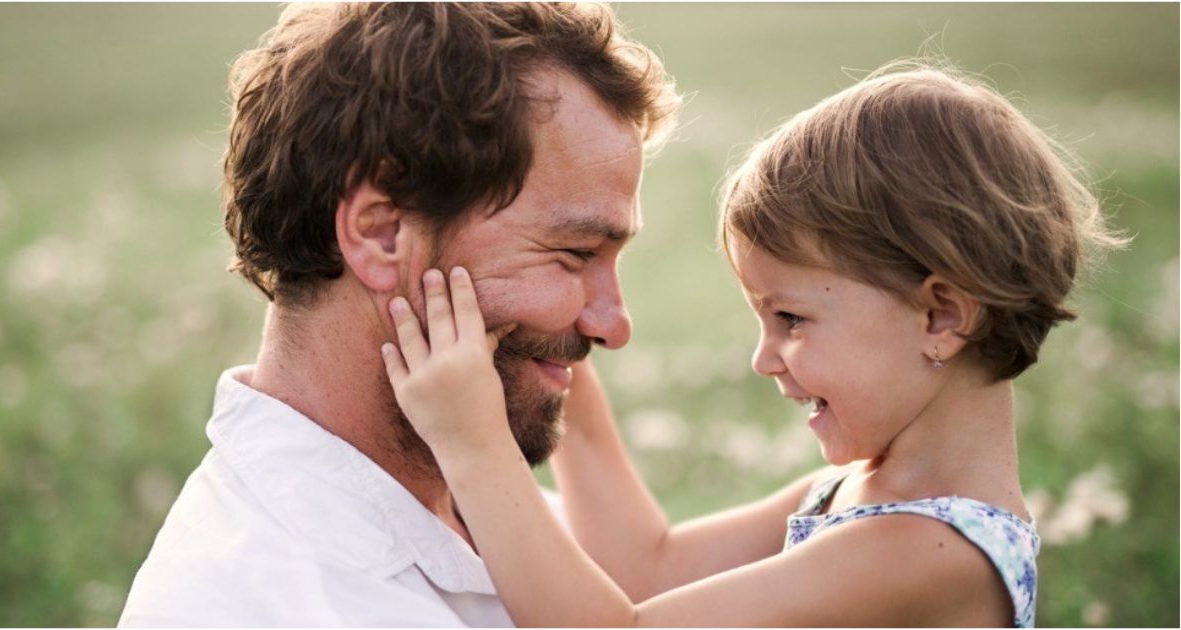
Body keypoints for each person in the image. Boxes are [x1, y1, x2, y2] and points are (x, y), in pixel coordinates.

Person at [381, 63, 1126, 627]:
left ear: (941, 318)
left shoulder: (933, 553)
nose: (763, 359)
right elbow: (647, 568)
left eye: (791, 320)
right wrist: (561, 344)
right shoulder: (858, 494)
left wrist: (476, 445)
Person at [118, 3, 679, 626]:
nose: (614, 324)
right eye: (575, 254)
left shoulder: (486, 509)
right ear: (382, 234)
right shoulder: (280, 602)